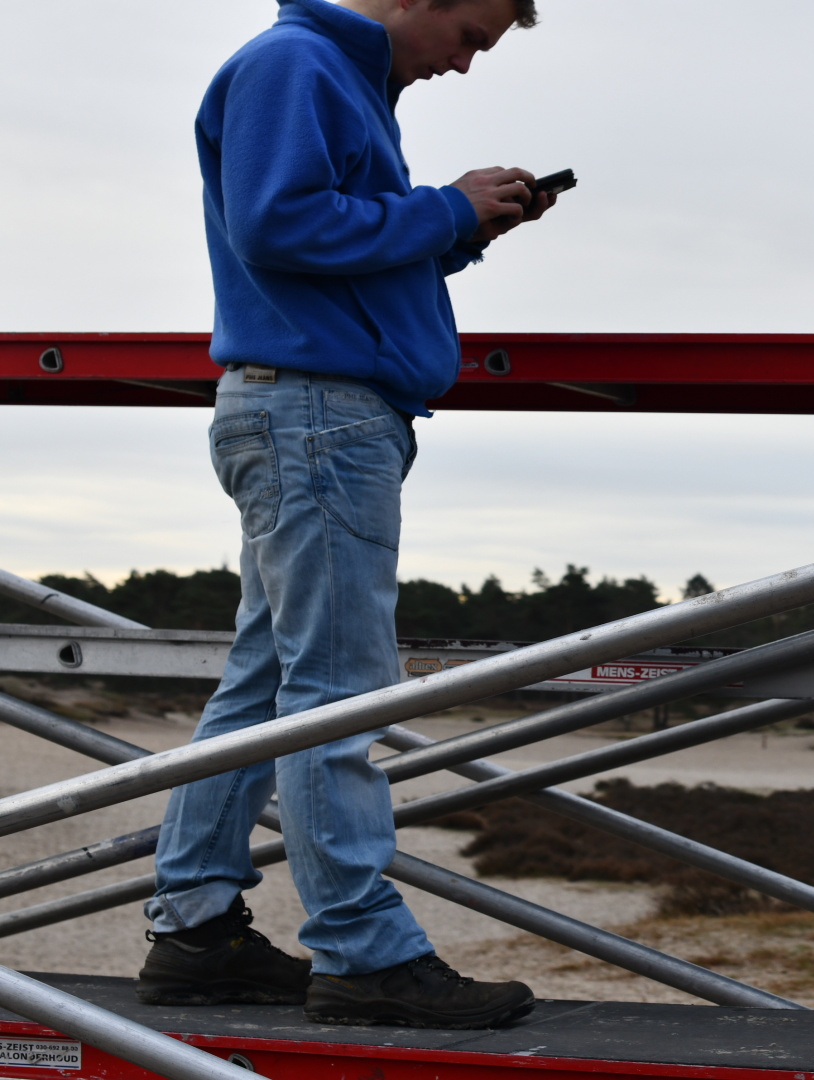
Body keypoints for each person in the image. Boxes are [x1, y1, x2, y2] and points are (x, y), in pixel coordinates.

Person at [135, 0, 558, 1029]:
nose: (465, 64)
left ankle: (195, 929)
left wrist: (462, 226)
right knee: (338, 694)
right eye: (472, 36)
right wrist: (444, 210)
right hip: (319, 415)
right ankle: (364, 953)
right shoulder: (301, 63)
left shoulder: (330, 73)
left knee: (268, 682)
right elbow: (278, 225)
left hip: (304, 412)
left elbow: (332, 251)